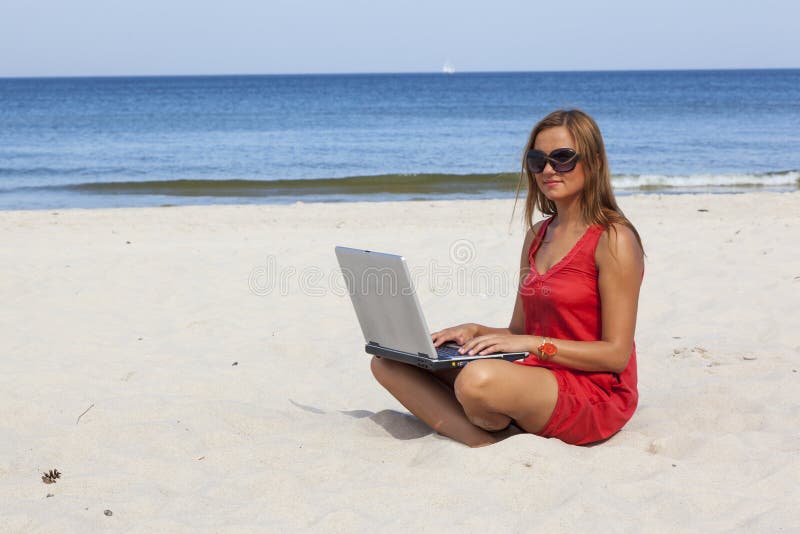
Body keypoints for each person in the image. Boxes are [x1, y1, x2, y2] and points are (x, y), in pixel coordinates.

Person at [371, 109, 645, 447]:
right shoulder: (536, 236)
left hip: (594, 389)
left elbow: (615, 355)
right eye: (537, 160)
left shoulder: (613, 239)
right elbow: (519, 331)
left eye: (562, 158)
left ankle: (487, 429)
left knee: (476, 381)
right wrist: (475, 330)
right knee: (389, 363)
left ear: (596, 162)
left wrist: (533, 346)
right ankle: (479, 438)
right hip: (538, 372)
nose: (548, 170)